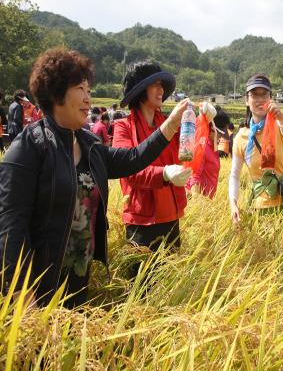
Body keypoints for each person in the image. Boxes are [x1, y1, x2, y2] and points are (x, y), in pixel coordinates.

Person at [0, 49, 190, 307]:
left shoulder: (88, 144)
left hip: (80, 274)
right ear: (56, 93)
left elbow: (132, 159)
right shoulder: (29, 147)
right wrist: (21, 294)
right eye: (81, 89)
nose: (88, 99)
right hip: (41, 281)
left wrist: (171, 124)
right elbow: (11, 226)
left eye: (89, 91)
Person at [112, 60, 191, 256]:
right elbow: (128, 170)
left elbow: (190, 147)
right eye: (155, 85)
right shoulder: (123, 127)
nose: (161, 90)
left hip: (170, 214)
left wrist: (205, 120)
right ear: (140, 90)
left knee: (170, 283)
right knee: (141, 283)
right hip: (141, 219)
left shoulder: (170, 124)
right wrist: (163, 173)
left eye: (161, 85)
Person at [229, 74, 283, 223]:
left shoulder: (278, 124)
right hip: (261, 206)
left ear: (271, 98)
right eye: (255, 95)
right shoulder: (241, 138)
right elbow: (235, 175)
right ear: (246, 100)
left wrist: (281, 116)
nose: (260, 99)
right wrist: (233, 204)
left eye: (265, 94)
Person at [186, 104, 231, 198]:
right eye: (219, 134)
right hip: (199, 202)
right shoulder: (202, 147)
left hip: (207, 201)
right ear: (212, 128)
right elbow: (195, 176)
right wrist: (198, 204)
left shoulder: (212, 147)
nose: (220, 137)